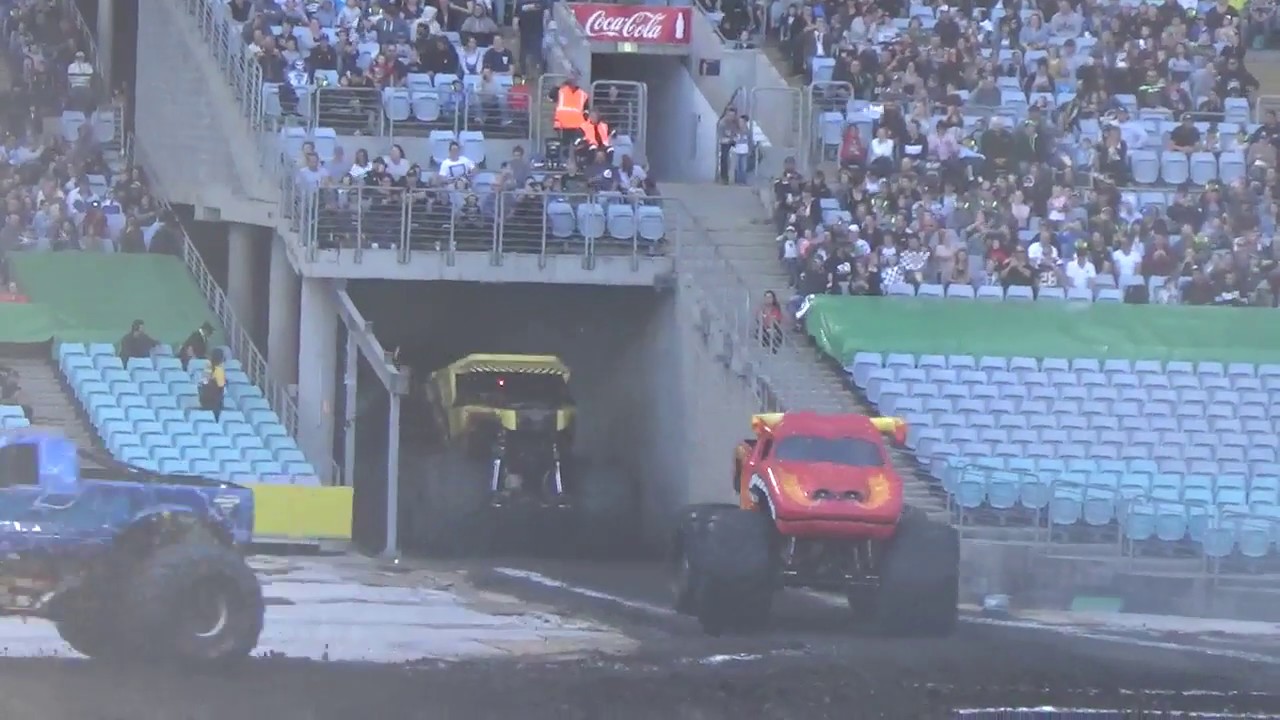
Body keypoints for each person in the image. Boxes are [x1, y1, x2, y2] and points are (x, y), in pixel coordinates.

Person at [199, 348, 227, 420]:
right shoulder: (219, 370)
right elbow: (221, 386)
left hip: (204, 402)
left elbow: (203, 383)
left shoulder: (206, 369)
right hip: (215, 404)